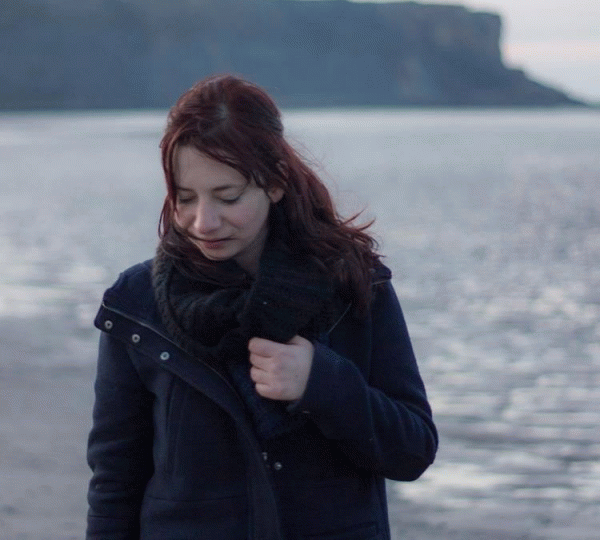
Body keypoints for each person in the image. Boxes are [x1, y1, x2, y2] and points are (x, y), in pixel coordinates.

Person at [86, 74, 438, 540]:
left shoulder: (353, 282)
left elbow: (413, 450)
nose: (203, 222)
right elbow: (115, 479)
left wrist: (322, 382)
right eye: (185, 198)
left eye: (228, 197)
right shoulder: (137, 304)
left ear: (274, 182)